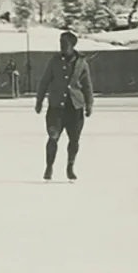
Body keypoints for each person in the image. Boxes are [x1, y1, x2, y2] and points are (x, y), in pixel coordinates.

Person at [35, 31, 94, 181]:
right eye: (60, 43)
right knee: (53, 136)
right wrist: (39, 101)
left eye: (65, 43)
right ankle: (49, 166)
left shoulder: (81, 63)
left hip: (75, 108)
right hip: (56, 107)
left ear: (72, 45)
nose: (61, 46)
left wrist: (89, 104)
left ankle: (70, 166)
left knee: (74, 139)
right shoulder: (54, 61)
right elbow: (44, 81)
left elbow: (87, 86)